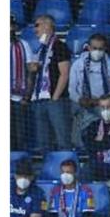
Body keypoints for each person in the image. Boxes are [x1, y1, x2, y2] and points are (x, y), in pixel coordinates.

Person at [28, 14, 73, 152]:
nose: (35, 29)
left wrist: (55, 98)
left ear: (47, 26)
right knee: (43, 142)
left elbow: (64, 74)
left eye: (37, 25)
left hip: (55, 100)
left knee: (62, 139)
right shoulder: (40, 49)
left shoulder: (60, 46)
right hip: (39, 99)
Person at [68, 32, 110, 141]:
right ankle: (78, 144)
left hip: (103, 102)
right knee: (74, 112)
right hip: (81, 101)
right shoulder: (78, 64)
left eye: (100, 49)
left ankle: (104, 141)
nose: (97, 51)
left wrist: (100, 101)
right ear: (89, 48)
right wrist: (80, 99)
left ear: (105, 48)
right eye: (95, 48)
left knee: (108, 111)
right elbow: (71, 89)